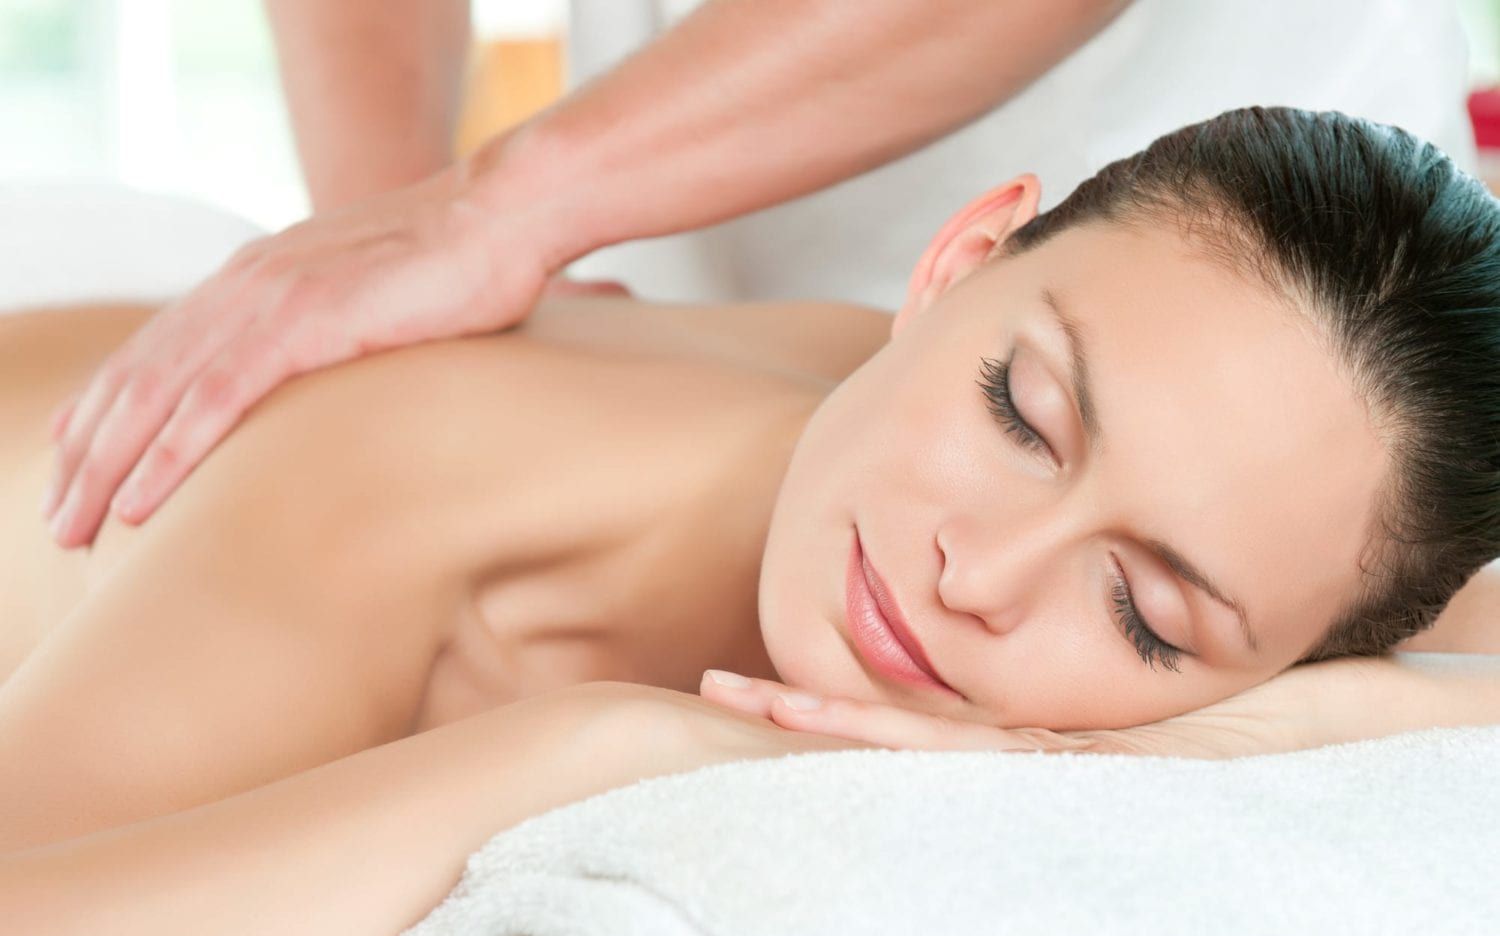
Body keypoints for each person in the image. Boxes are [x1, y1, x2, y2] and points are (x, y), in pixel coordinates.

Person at [3, 107, 1499, 936]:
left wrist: (1277, 721)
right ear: (960, 262)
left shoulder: (1300, 499)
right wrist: (587, 751)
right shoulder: (419, 497)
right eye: (1020, 415)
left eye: (1147, 617)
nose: (975, 574)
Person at [37, 0, 1476, 550]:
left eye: (1151, 613)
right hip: (647, 252)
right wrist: (400, 231)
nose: (984, 584)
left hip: (1254, 277)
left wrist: (502, 207)